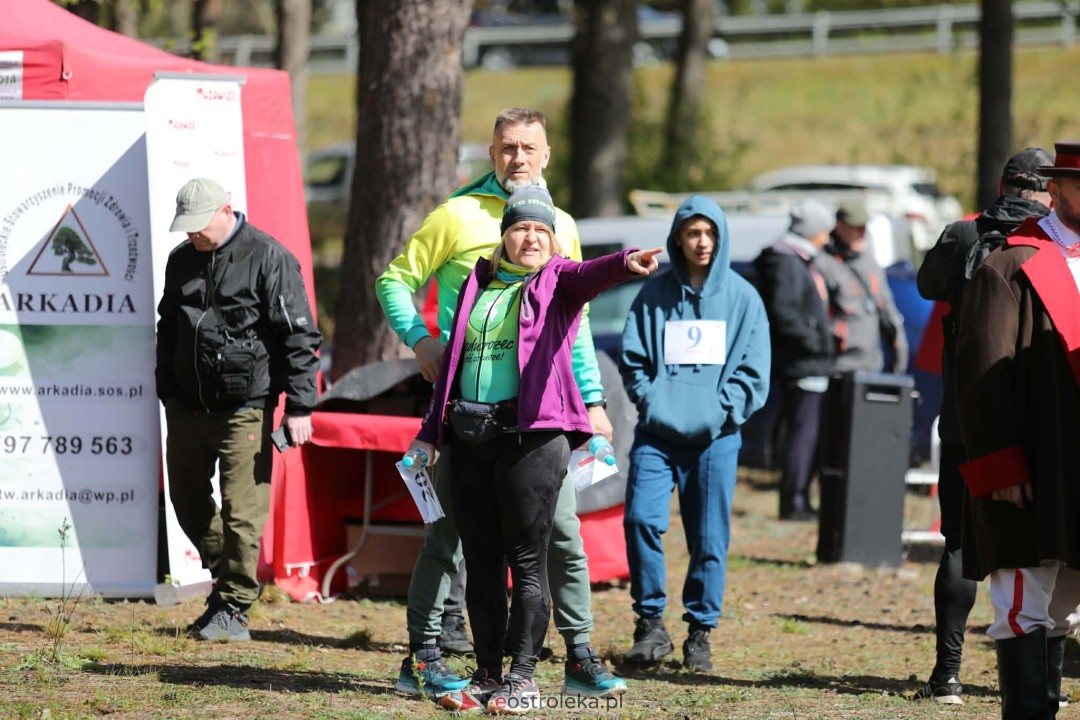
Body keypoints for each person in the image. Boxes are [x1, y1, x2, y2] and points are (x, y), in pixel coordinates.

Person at [375, 108, 627, 701]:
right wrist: (423, 341)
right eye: (507, 147)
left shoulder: (560, 221)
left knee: (560, 534)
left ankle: (577, 655)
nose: (518, 157)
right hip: (465, 414)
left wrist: (592, 399)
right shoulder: (457, 213)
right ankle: (426, 656)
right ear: (492, 155)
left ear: (546, 155)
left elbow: (579, 322)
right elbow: (393, 279)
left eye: (529, 148)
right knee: (448, 535)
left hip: (541, 420)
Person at [406, 185, 662, 714]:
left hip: (534, 440)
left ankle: (523, 678)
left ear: (554, 242)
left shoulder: (559, 280)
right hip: (473, 438)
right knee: (479, 562)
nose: (531, 237)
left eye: (542, 231)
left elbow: (593, 274)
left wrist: (625, 262)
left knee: (526, 562)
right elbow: (451, 367)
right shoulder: (479, 280)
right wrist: (431, 432)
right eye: (521, 228)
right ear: (504, 236)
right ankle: (486, 674)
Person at [914, 147, 1053, 705]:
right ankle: (1039, 681)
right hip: (1032, 416)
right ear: (1045, 191)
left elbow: (928, 286)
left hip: (967, 410)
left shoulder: (961, 234)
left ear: (1001, 185)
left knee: (958, 540)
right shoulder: (1050, 242)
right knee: (1038, 547)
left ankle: (946, 674)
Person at [155, 177, 321, 641]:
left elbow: (299, 336)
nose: (191, 234)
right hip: (187, 406)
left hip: (245, 407)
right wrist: (165, 386)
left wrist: (300, 405)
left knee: (242, 510)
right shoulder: (180, 260)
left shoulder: (269, 257)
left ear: (225, 210)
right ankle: (230, 580)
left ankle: (233, 608)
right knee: (186, 501)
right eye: (184, 227)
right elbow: (167, 326)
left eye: (198, 225)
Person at [955, 139, 1080, 719]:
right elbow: (981, 377)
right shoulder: (1008, 265)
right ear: (1055, 192)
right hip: (1034, 469)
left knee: (1066, 614)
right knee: (1024, 608)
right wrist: (998, 470)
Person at [619, 195, 771, 671]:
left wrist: (721, 411)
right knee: (640, 520)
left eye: (709, 233)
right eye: (692, 233)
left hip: (716, 438)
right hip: (656, 436)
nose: (701, 242)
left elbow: (754, 370)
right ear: (677, 239)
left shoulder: (744, 298)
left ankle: (699, 634)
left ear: (720, 237)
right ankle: (650, 626)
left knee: (708, 538)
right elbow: (634, 357)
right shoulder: (655, 294)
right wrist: (653, 401)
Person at [753, 200, 836, 521]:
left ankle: (799, 498)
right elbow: (785, 313)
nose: (827, 238)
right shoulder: (787, 262)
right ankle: (795, 501)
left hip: (807, 361)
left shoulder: (795, 259)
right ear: (812, 231)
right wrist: (817, 343)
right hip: (803, 363)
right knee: (803, 434)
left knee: (805, 432)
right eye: (823, 231)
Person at [815, 199, 908, 375]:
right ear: (839, 225)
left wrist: (899, 358)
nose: (862, 232)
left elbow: (887, 311)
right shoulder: (822, 263)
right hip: (836, 369)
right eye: (855, 227)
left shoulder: (869, 262)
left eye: (864, 226)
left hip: (871, 367)